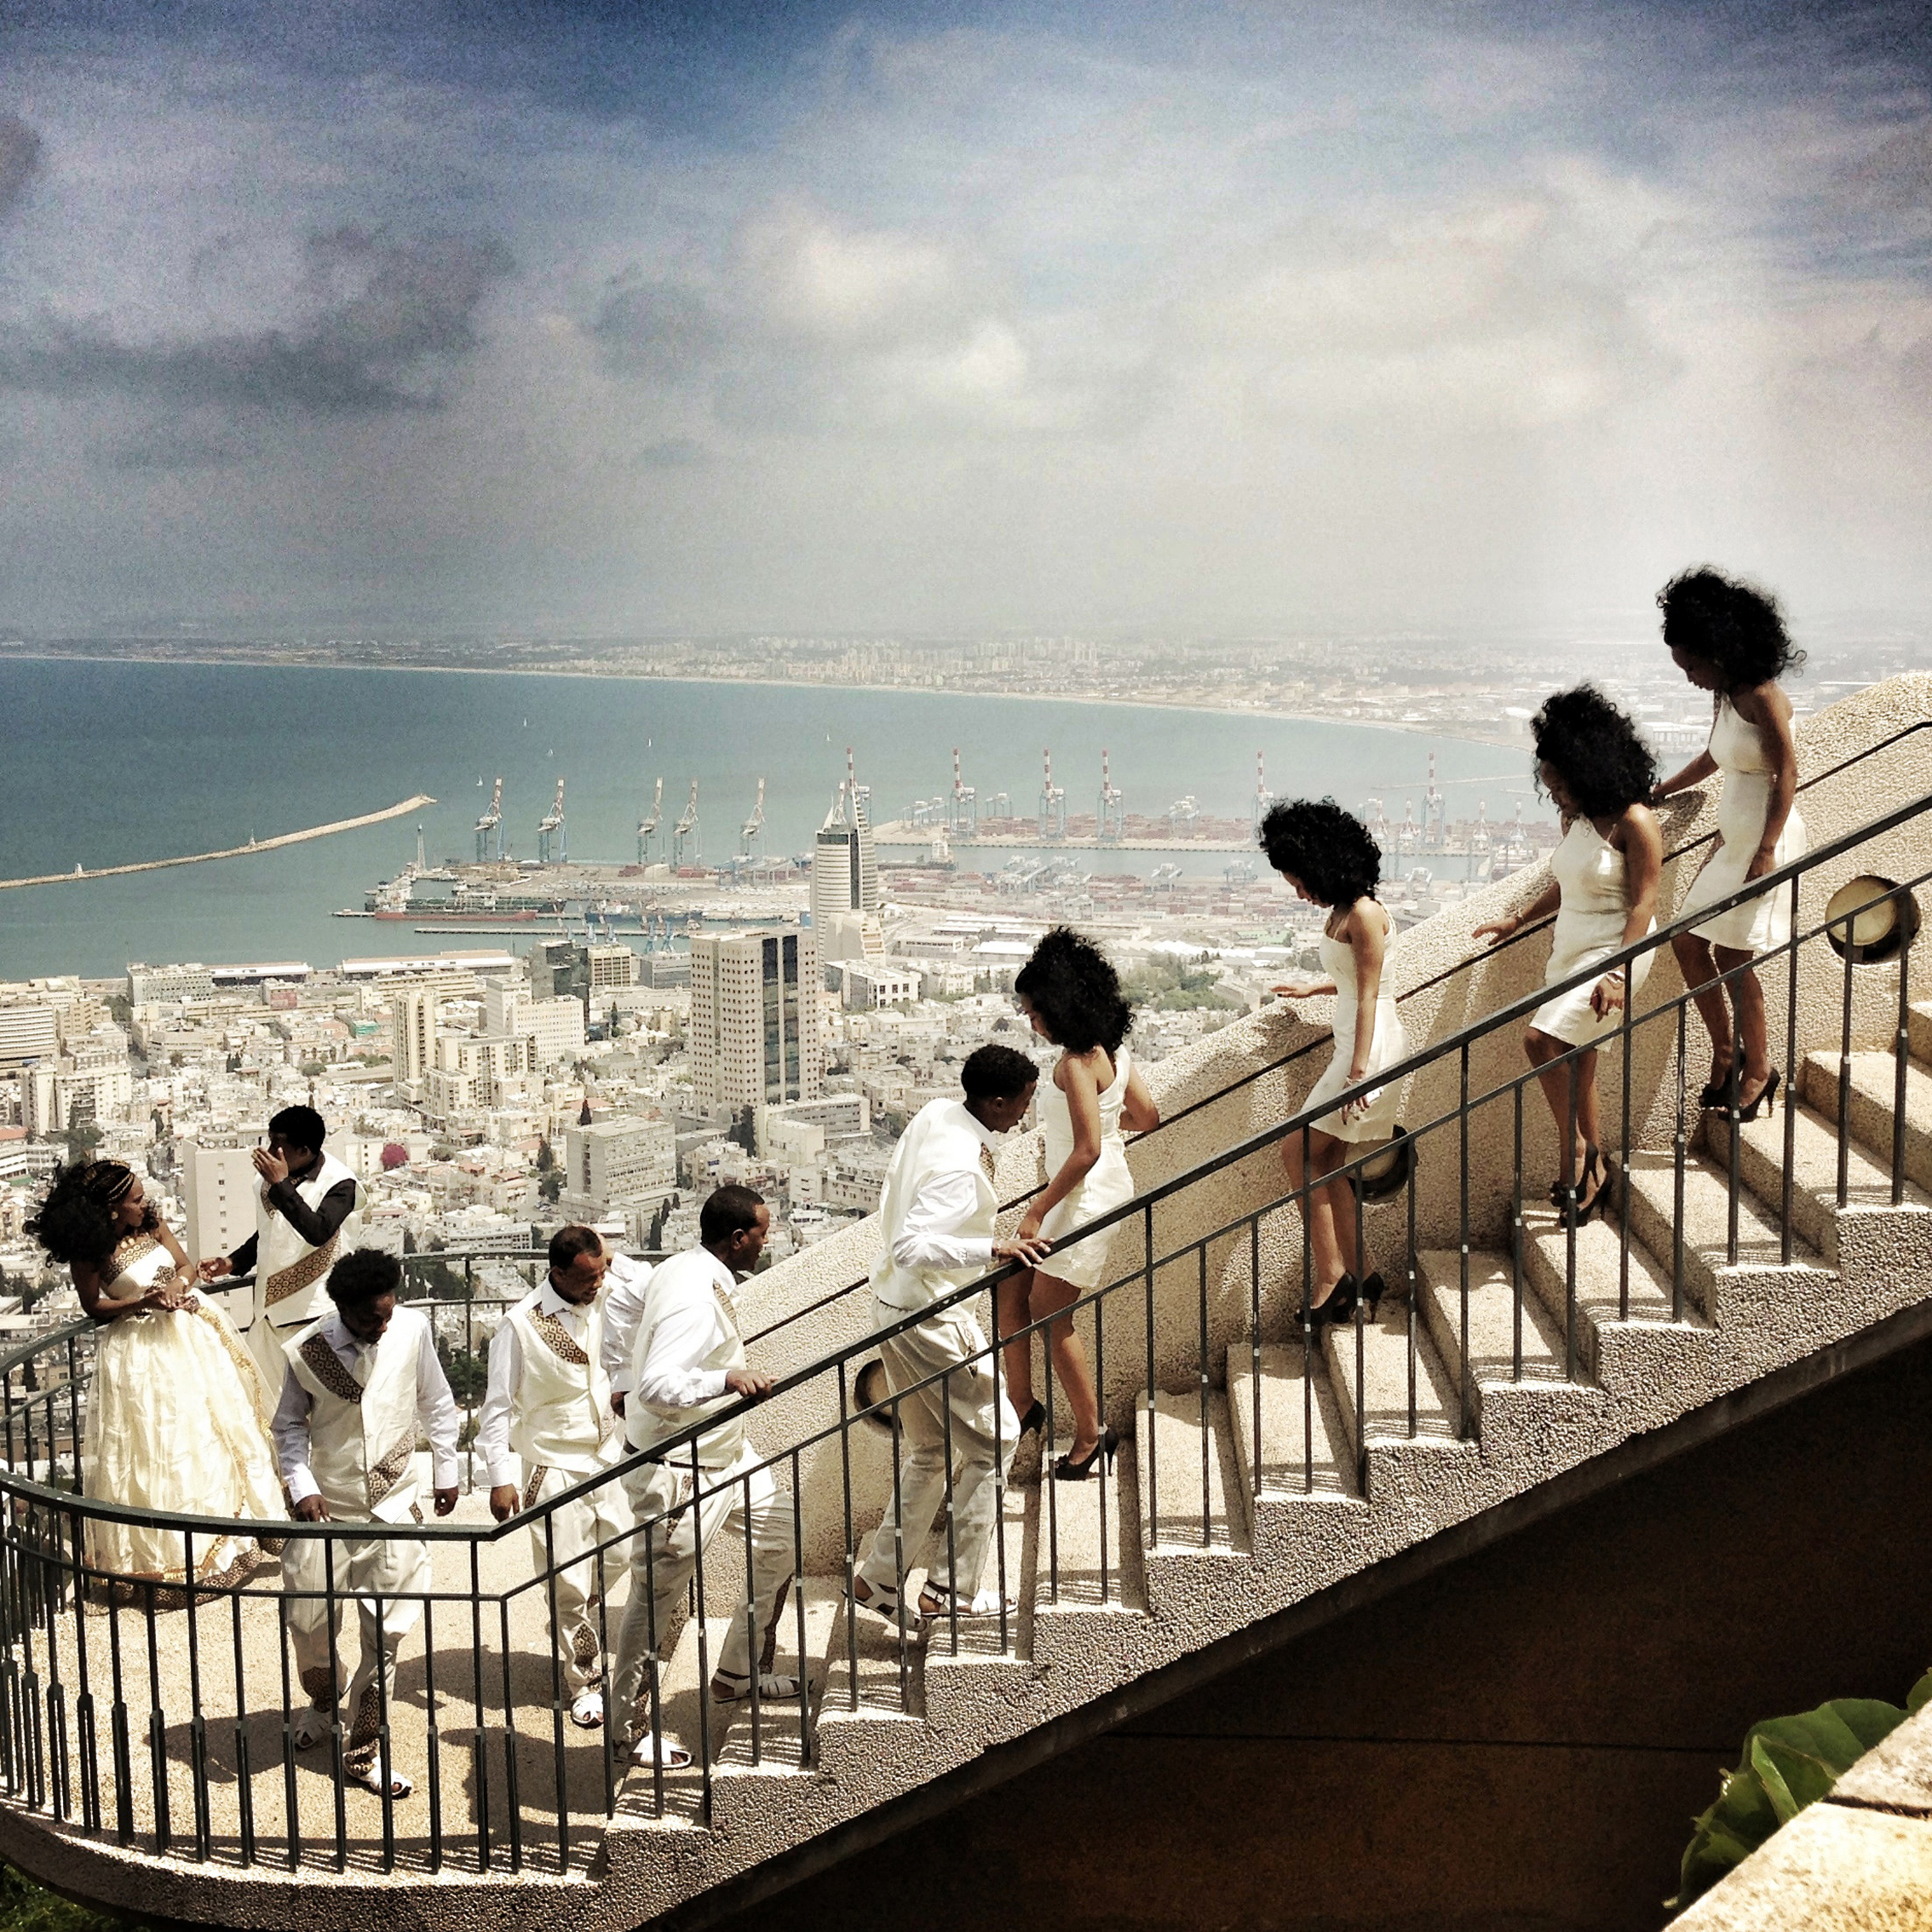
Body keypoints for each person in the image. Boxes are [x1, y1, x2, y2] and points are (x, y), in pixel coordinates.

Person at [849, 1045, 1049, 1625]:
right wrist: (992, 1248)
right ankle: (950, 1591)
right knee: (997, 1441)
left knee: (932, 1449)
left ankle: (879, 1578)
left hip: (894, 1305)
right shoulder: (961, 1167)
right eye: (1024, 1101)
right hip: (930, 1316)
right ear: (997, 1101)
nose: (1026, 1112)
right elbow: (912, 1245)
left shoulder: (939, 1113)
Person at [26, 1160, 285, 1594]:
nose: (145, 1203)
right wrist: (143, 1302)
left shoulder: (151, 1222)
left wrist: (178, 1288)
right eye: (136, 1198)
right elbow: (93, 1306)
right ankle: (178, 1558)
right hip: (144, 1351)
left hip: (191, 1331)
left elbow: (184, 1265)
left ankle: (241, 1534)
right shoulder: (90, 1250)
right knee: (164, 1441)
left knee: (216, 1428)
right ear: (112, 1208)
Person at [607, 1187, 794, 1772]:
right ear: (737, 1239)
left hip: (725, 1454)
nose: (766, 1244)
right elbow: (658, 1387)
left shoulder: (684, 1266)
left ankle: (737, 1671)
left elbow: (625, 1294)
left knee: (783, 1534)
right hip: (679, 1471)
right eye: (762, 1236)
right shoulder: (693, 1297)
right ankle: (626, 1729)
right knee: (655, 1602)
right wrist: (725, 1381)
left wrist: (618, 1372)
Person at [272, 1247, 459, 1800]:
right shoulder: (306, 1350)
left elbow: (436, 1400)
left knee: (386, 1636)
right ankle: (323, 1700)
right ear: (342, 1309)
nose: (382, 1326)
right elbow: (288, 1427)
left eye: (387, 1312)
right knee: (308, 1623)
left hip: (394, 1507)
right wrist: (302, 1488)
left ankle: (364, 1749)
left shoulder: (412, 1329)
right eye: (370, 1318)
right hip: (327, 1510)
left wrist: (446, 1469)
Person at [1475, 687, 1664, 1226]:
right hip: (1571, 948)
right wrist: (1518, 919)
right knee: (1580, 1063)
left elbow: (1645, 903)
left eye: (1560, 784)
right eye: (1549, 785)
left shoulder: (1635, 822)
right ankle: (1594, 1170)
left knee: (1540, 1040)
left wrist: (1617, 973)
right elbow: (1569, 883)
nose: (1554, 795)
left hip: (1616, 951)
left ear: (1589, 769)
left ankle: (1575, 1151)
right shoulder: (1577, 821)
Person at [1001, 929, 1159, 1481]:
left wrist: (1035, 1210)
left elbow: (1087, 1149)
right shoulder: (1111, 1050)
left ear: (1058, 1006)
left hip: (1083, 1197)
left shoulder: (1073, 1064)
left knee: (1052, 1315)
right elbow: (1148, 1118)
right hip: (1100, 1187)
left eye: (1034, 1012)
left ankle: (1090, 1436)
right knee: (1013, 1287)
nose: (1031, 1023)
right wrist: (1106, 1129)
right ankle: (1023, 1401)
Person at [1652, 567, 1808, 1121]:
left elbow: (1788, 772)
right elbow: (1714, 757)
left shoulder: (1763, 696)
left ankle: (1759, 1069)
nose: (1690, 677)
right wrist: (1662, 790)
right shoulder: (1726, 697)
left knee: (1734, 956)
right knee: (1689, 942)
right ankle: (1726, 1050)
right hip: (1733, 840)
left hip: (1765, 842)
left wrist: (1765, 851)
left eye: (1692, 666)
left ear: (1719, 650)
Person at [478, 1225, 633, 1730]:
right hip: (552, 1463)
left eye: (603, 1272)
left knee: (622, 1552)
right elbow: (497, 1407)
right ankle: (584, 1681)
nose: (598, 1283)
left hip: (607, 1453)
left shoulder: (607, 1293)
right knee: (568, 1577)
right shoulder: (518, 1325)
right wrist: (500, 1476)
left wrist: (611, 1262)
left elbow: (647, 1282)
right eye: (589, 1277)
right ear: (558, 1273)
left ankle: (571, 1615)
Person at [1260, 800, 1407, 1325]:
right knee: (1328, 1164)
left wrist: (1359, 1075)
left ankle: (1332, 1278)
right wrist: (1313, 988)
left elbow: (1371, 993)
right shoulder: (1343, 911)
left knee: (1296, 1153)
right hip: (1356, 1045)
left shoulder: (1364, 912)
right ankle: (1362, 1274)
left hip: (1370, 1049)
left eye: (1300, 882)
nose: (1299, 893)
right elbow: (1353, 979)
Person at [199, 1105, 362, 1395]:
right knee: (265, 1400)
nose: (270, 1150)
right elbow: (271, 1230)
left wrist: (281, 1185)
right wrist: (232, 1262)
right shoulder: (268, 1181)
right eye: (270, 1140)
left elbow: (318, 1232)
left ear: (304, 1150)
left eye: (278, 1144)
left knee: (326, 1399)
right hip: (269, 1314)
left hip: (316, 1315)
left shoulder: (339, 1183)